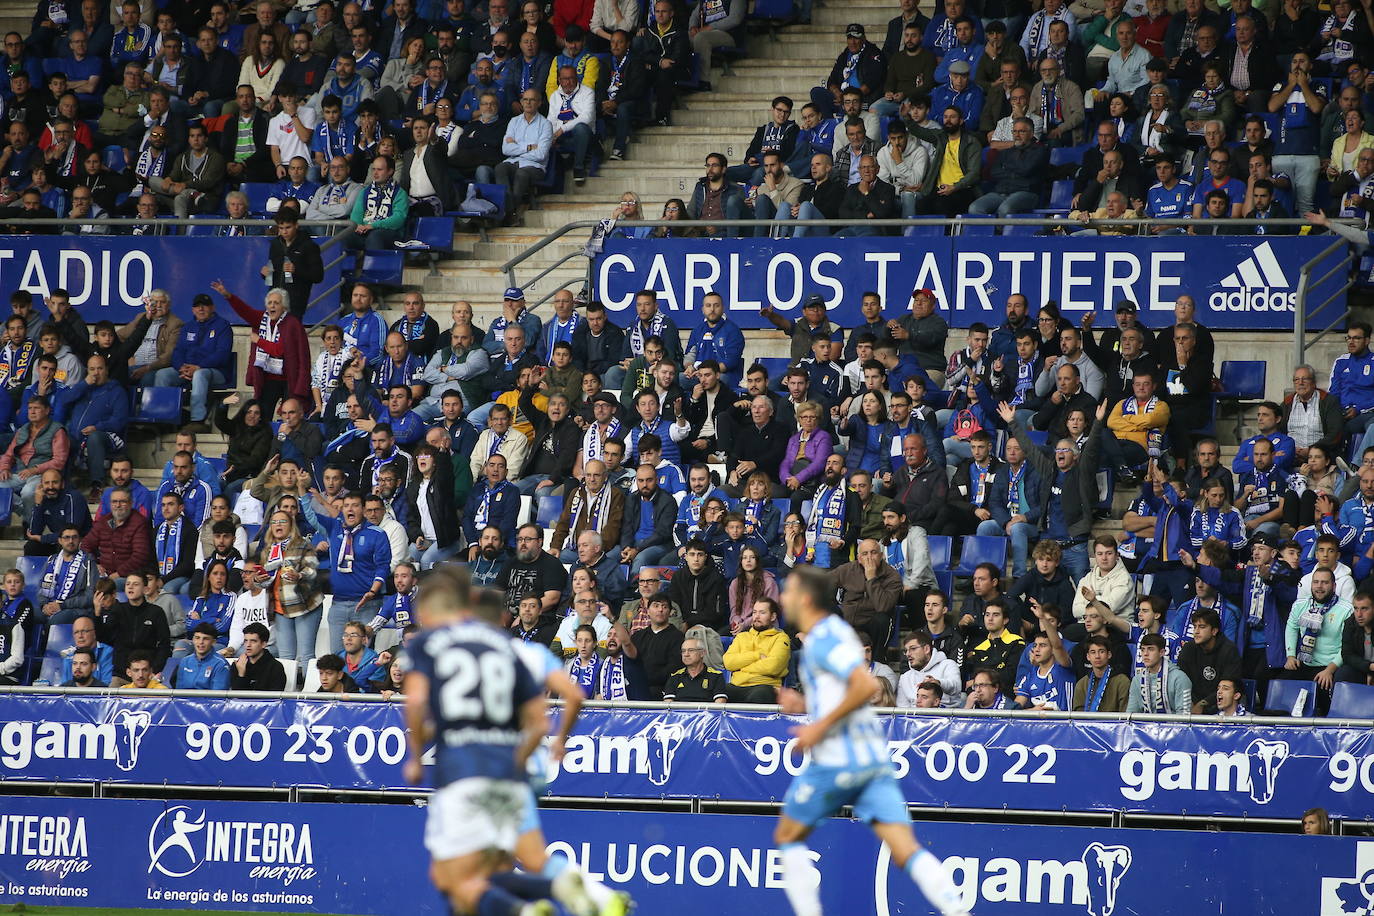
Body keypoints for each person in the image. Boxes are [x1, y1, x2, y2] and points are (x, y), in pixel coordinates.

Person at [773, 565, 968, 916]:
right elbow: (842, 692)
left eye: (787, 591)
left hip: (838, 757)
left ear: (804, 599)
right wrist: (803, 705)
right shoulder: (832, 633)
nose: (782, 598)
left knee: (788, 836)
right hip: (870, 759)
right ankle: (956, 911)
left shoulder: (824, 638)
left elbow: (863, 687)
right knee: (904, 848)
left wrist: (817, 728)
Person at [214, 281, 311, 417]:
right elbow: (245, 311)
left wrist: (259, 340)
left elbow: (279, 351)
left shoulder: (292, 324)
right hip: (268, 378)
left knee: (290, 415)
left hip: (289, 378)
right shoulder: (262, 319)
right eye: (269, 303)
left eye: (276, 303)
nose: (272, 305)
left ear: (284, 307)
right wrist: (228, 296)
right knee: (263, 416)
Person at [722, 598, 789, 702]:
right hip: (737, 686)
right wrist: (757, 656)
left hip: (764, 686)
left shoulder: (781, 638)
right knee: (718, 692)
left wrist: (741, 667)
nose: (756, 616)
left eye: (762, 613)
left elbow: (773, 667)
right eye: (754, 612)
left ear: (773, 617)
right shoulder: (741, 637)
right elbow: (728, 663)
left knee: (760, 694)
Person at [1125, 632, 1192, 712]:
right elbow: (1131, 713)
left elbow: (1184, 715)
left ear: (1162, 652)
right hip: (1145, 724)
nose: (1145, 654)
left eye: (1150, 649)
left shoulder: (1180, 678)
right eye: (1142, 650)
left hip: (1172, 724)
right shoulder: (1137, 680)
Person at [896, 630, 961, 708]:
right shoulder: (905, 678)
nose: (908, 654)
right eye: (906, 650)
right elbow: (902, 710)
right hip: (914, 719)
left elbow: (956, 687)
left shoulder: (947, 665)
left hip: (948, 717)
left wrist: (938, 683)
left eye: (913, 649)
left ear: (926, 649)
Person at [661, 636, 728, 702]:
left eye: (691, 650)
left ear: (702, 653)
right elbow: (668, 706)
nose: (686, 654)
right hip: (680, 712)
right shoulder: (675, 677)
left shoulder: (716, 676)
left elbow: (720, 705)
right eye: (683, 651)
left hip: (706, 712)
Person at [228, 620, 286, 691]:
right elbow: (235, 697)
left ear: (264, 644)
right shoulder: (238, 665)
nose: (248, 645)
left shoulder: (275, 667)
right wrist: (241, 674)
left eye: (253, 641)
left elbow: (274, 698)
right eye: (246, 641)